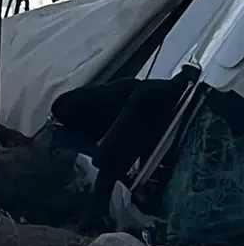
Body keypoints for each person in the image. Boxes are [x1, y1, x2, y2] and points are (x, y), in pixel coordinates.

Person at [49, 65, 197, 234]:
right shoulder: (140, 97)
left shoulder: (140, 98)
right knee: (110, 161)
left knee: (110, 162)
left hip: (120, 111)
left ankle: (94, 222)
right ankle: (94, 221)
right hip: (121, 111)